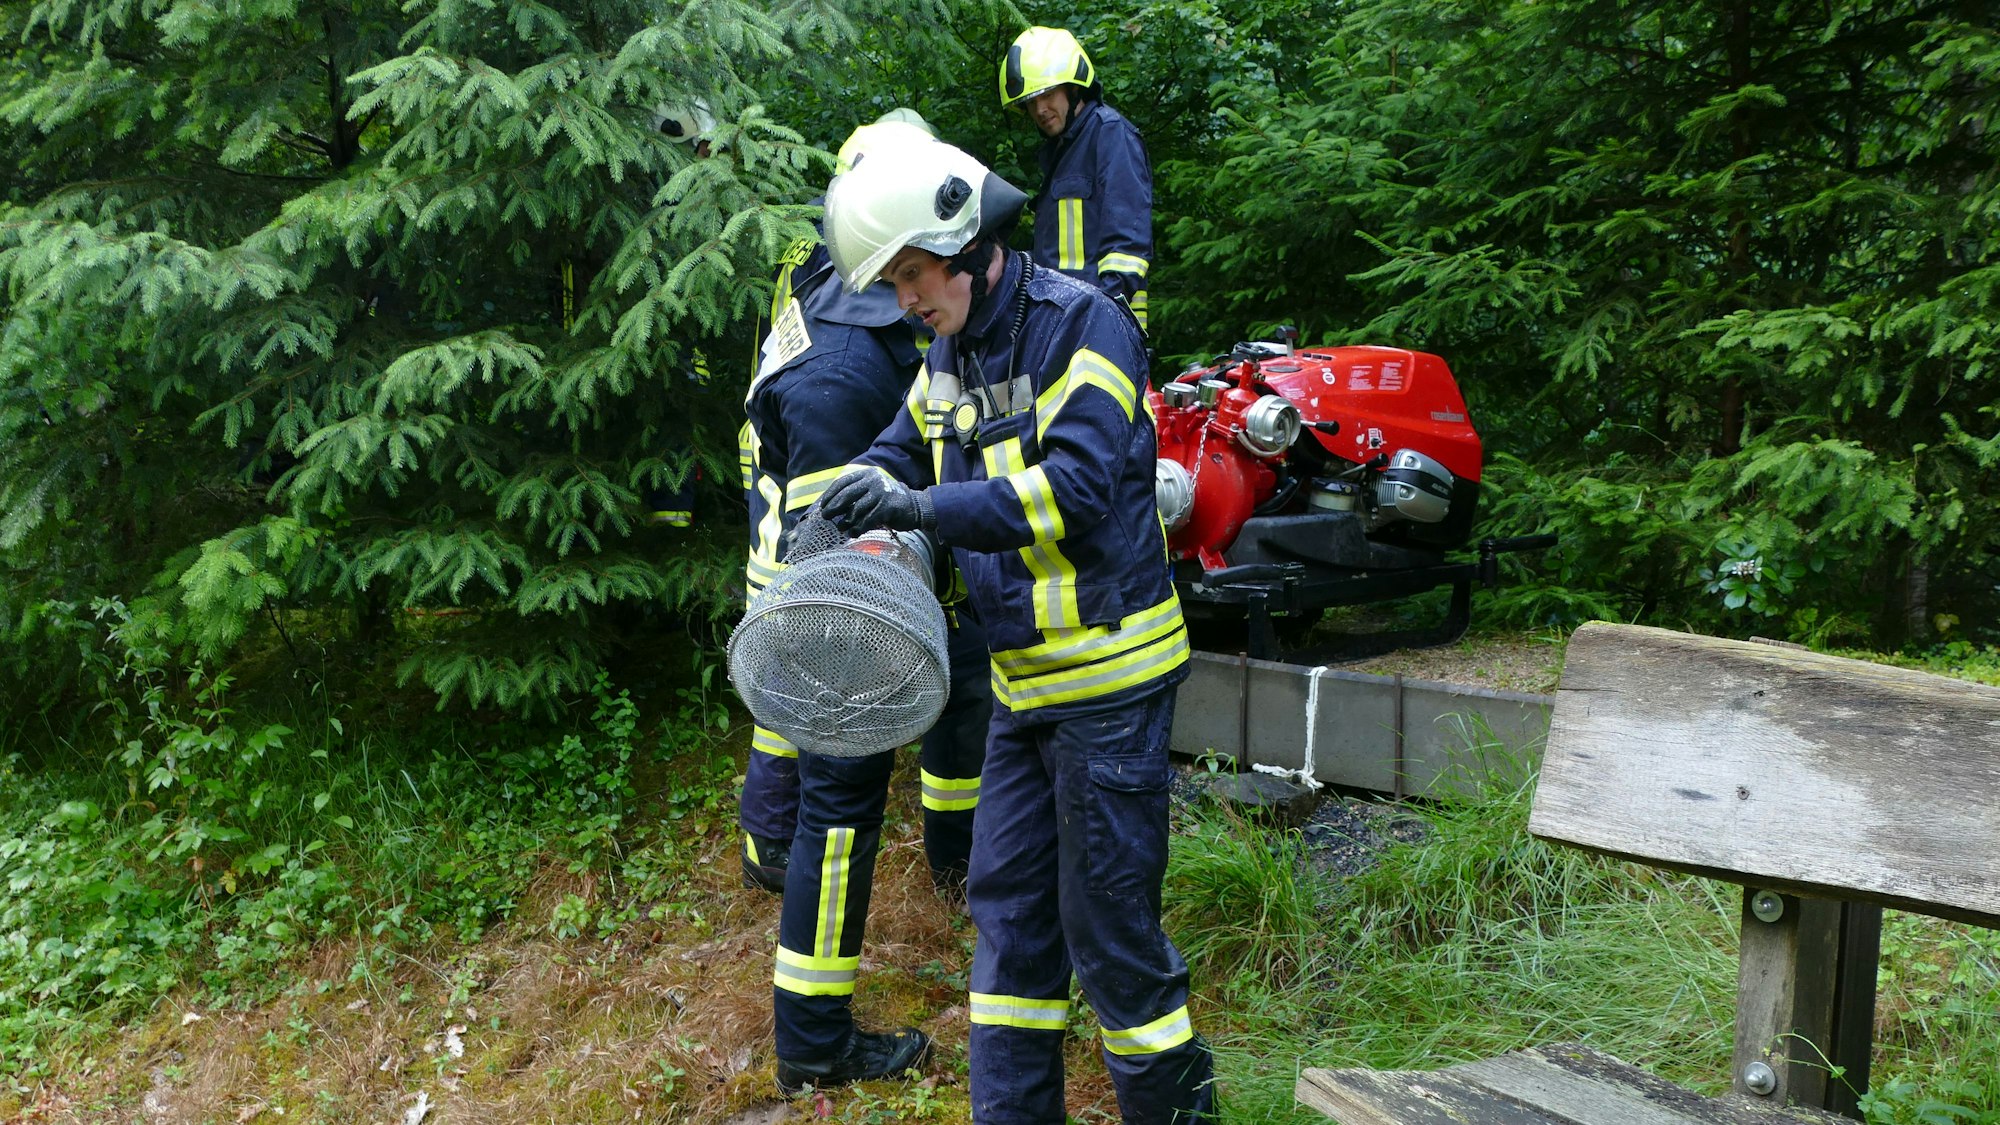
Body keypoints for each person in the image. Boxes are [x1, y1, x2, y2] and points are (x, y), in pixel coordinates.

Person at [816, 138, 1213, 1123]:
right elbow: (897, 449)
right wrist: (842, 499)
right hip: (1022, 692)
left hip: (1109, 685)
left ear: (964, 240)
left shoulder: (1085, 326)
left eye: (913, 273)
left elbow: (1076, 489)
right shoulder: (949, 354)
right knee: (1009, 938)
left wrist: (921, 510)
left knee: (1111, 942)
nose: (906, 300)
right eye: (893, 283)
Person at [746, 120, 993, 1095]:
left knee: (959, 702)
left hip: (874, 583)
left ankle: (955, 873)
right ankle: (814, 1041)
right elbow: (846, 529)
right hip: (848, 605)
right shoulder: (847, 366)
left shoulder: (827, 302)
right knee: (841, 806)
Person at [999, 26, 1154, 332]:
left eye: (1047, 94)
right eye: (1031, 101)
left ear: (1073, 88)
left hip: (1101, 326)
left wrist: (1102, 316)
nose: (1040, 109)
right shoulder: (1062, 152)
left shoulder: (1110, 134)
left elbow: (1126, 250)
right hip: (1062, 321)